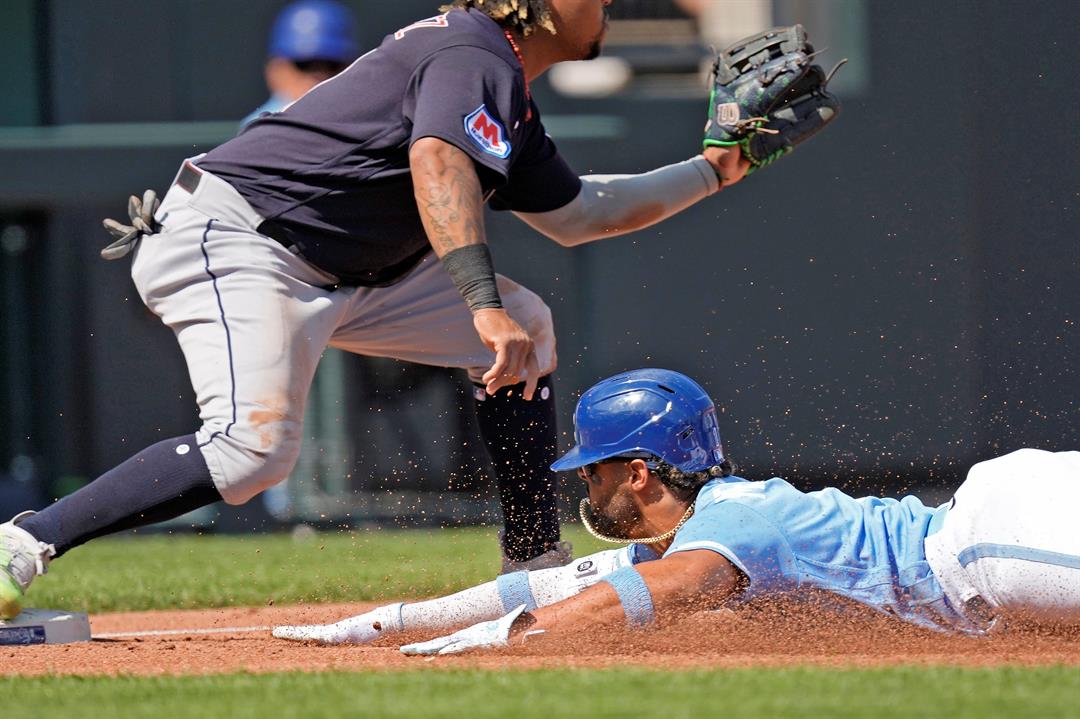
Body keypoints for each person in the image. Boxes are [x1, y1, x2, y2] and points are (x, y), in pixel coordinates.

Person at [0, 0, 756, 620]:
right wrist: (478, 300)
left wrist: (716, 169)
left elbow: (581, 213)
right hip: (240, 236)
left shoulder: (501, 84)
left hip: (346, 265)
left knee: (531, 328)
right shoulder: (472, 49)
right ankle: (24, 542)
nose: (609, 3)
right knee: (251, 451)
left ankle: (533, 559)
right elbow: (436, 159)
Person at [273, 368, 1080, 651]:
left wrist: (499, 647)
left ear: (637, 472)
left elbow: (657, 597)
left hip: (992, 549)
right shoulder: (709, 520)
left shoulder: (728, 532)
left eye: (592, 474)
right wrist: (384, 623)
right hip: (1001, 527)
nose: (583, 490)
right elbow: (543, 589)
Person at [241, 0, 360, 127]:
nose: (319, 75)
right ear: (275, 70)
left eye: (331, 65)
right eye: (304, 64)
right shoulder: (257, 129)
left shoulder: (363, 126)